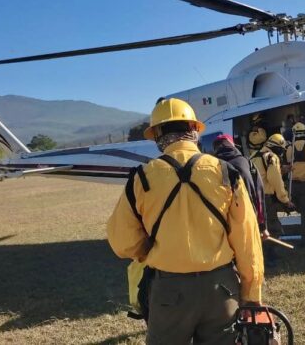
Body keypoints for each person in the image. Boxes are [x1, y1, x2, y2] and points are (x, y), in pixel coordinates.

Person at [106, 98, 264, 344]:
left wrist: (147, 249)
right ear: (193, 129)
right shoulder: (225, 172)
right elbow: (248, 240)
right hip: (221, 290)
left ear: (157, 134)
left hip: (169, 291)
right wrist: (252, 293)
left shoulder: (142, 177)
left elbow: (121, 242)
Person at [212, 134, 267, 237]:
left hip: (221, 224)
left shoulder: (211, 166)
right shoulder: (246, 162)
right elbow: (258, 193)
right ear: (232, 145)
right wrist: (262, 226)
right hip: (247, 219)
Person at [251, 133, 293, 265]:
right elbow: (276, 181)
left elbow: (262, 174)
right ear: (278, 148)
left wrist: (280, 169)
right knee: (272, 228)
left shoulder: (253, 156)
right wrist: (285, 200)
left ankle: (262, 255)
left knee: (259, 227)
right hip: (265, 199)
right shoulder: (272, 158)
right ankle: (270, 257)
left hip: (252, 197)